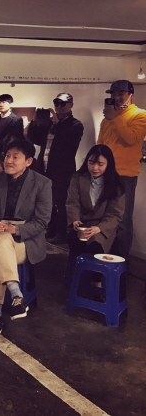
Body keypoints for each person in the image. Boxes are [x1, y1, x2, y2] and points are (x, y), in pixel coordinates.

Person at [0, 138, 51, 336]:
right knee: (1, 240)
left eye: (15, 157)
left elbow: (42, 222)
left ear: (28, 161)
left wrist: (16, 230)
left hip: (25, 240)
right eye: (7, 156)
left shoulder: (42, 183)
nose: (9, 161)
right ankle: (16, 295)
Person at [97, 80, 146, 259]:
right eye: (113, 94)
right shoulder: (107, 119)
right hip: (105, 174)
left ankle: (121, 261)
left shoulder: (140, 115)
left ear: (131, 95)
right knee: (104, 216)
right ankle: (104, 256)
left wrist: (115, 118)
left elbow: (131, 139)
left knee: (123, 220)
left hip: (126, 175)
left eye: (120, 94)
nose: (116, 97)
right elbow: (100, 145)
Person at [27, 93, 84, 244]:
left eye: (63, 104)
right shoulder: (49, 124)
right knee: (47, 201)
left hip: (63, 170)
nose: (59, 107)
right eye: (56, 103)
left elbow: (69, 142)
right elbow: (33, 139)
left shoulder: (76, 125)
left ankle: (61, 233)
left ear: (71, 105)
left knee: (62, 202)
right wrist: (34, 122)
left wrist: (58, 124)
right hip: (45, 168)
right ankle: (50, 229)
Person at [65, 145, 125, 280]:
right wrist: (75, 220)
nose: (95, 168)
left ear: (108, 164)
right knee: (73, 239)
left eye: (100, 164)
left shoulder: (116, 184)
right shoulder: (78, 178)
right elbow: (72, 203)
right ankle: (78, 278)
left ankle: (96, 280)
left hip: (102, 227)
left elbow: (115, 214)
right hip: (82, 223)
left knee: (95, 244)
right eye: (91, 163)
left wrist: (99, 228)